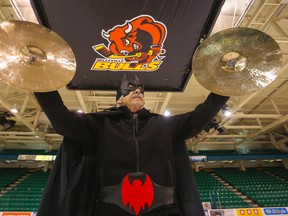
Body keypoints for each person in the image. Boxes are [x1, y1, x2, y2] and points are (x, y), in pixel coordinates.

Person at [34, 75, 229, 216]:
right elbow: (62, 120)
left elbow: (200, 117)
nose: (138, 91)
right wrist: (40, 78)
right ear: (119, 98)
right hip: (111, 209)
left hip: (164, 210)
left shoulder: (165, 125)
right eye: (131, 89)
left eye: (141, 91)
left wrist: (225, 86)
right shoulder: (99, 124)